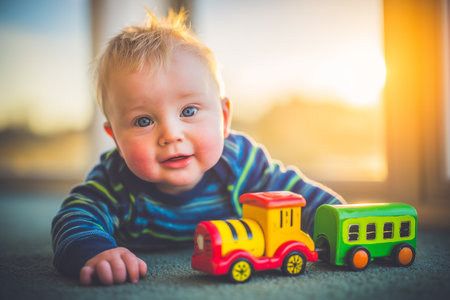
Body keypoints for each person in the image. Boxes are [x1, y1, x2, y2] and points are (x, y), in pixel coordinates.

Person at [51, 8, 344, 286]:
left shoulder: (239, 162)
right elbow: (76, 215)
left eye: (189, 111)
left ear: (224, 118)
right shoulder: (115, 179)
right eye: (143, 120)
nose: (171, 134)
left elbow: (294, 194)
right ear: (115, 137)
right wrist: (94, 251)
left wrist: (338, 218)